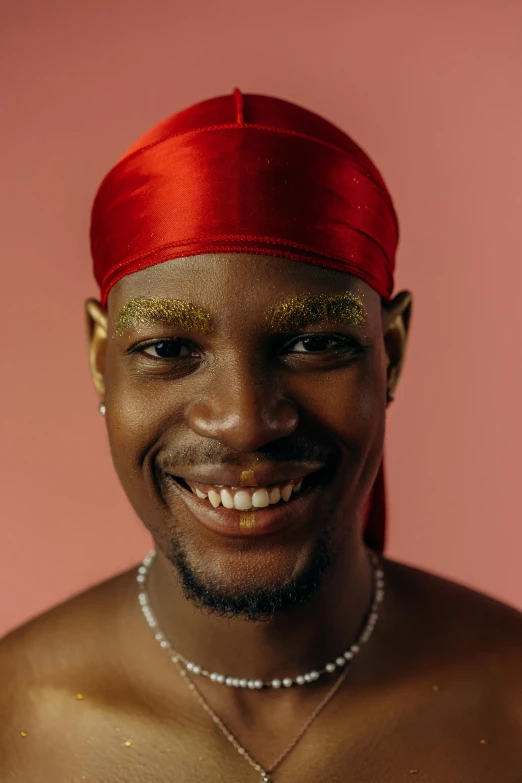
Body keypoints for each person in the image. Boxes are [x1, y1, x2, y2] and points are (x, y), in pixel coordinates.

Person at [1, 89, 521, 783]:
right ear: (101, 359)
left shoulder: (510, 698)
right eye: (167, 348)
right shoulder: (14, 721)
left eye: (313, 341)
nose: (244, 422)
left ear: (389, 349)